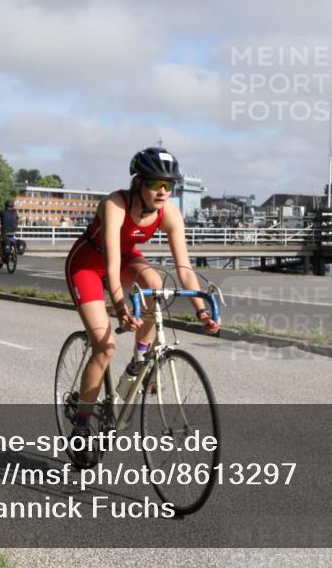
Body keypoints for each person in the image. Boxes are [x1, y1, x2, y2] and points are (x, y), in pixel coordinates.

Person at [64, 147, 220, 466]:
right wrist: (120, 303)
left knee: (156, 285)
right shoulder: (115, 204)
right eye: (155, 184)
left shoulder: (170, 214)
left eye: (169, 185)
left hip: (125, 260)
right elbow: (110, 262)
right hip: (88, 265)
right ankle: (81, 426)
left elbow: (184, 268)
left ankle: (139, 358)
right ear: (138, 183)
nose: (163, 192)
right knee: (104, 347)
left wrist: (201, 310)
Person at [0, 200, 19, 270]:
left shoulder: (2, 212)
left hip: (4, 232)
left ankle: (0, 261)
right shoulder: (15, 212)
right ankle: (12, 252)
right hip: (13, 232)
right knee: (10, 240)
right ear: (12, 206)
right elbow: (17, 221)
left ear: (5, 206)